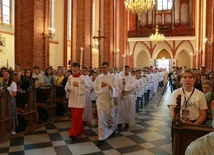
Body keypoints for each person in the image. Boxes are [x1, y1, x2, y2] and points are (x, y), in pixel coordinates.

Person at [169, 69, 208, 148]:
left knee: (193, 148)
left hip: (195, 123)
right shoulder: (176, 93)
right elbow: (172, 110)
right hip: (178, 123)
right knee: (177, 147)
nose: (187, 79)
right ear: (181, 80)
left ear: (194, 79)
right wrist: (180, 121)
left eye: (190, 77)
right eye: (184, 77)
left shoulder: (200, 94)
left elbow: (203, 114)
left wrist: (193, 126)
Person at [93, 62, 118, 146]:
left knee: (111, 117)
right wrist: (101, 85)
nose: (103, 69)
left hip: (109, 100)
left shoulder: (113, 77)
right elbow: (95, 87)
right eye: (102, 67)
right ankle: (101, 137)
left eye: (105, 67)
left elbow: (116, 88)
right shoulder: (99, 77)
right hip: (100, 100)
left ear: (108, 68)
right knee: (101, 118)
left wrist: (112, 88)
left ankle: (112, 130)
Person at [65, 62, 88, 142]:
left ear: (79, 68)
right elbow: (67, 86)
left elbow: (88, 88)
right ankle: (80, 129)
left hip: (80, 100)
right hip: (73, 98)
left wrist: (79, 85)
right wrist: (67, 89)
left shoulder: (83, 77)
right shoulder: (70, 77)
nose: (74, 69)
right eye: (73, 67)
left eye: (75, 67)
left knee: (76, 117)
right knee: (75, 117)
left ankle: (74, 132)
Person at [116, 65, 137, 131]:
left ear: (129, 70)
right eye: (124, 69)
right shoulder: (120, 78)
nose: (125, 71)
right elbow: (117, 86)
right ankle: (119, 122)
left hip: (129, 96)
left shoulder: (132, 78)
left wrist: (126, 85)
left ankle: (127, 123)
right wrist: (121, 90)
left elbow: (133, 86)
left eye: (127, 69)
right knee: (121, 110)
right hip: (122, 95)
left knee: (128, 110)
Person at [3, 70, 18, 134]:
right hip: (4, 101)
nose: (5, 75)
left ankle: (13, 129)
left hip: (11, 101)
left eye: (7, 74)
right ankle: (6, 128)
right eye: (4, 74)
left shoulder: (13, 83)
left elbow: (14, 94)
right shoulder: (4, 82)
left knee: (12, 114)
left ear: (10, 75)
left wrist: (8, 98)